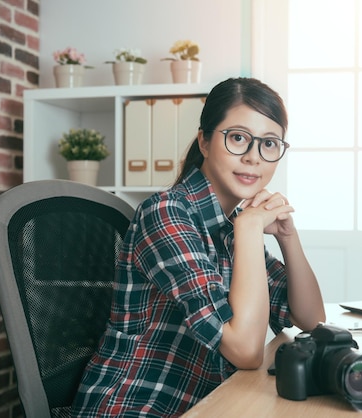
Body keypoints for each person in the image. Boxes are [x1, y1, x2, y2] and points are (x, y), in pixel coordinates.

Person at [71, 77, 326, 417]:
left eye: (269, 143)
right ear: (204, 142)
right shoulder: (166, 213)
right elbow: (246, 351)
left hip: (207, 405)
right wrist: (249, 228)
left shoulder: (232, 224)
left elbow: (311, 318)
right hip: (133, 407)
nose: (254, 157)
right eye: (238, 138)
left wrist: (288, 237)